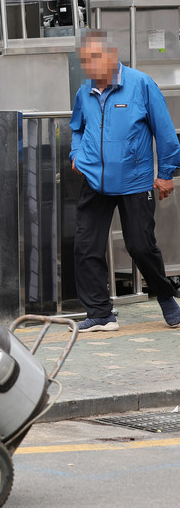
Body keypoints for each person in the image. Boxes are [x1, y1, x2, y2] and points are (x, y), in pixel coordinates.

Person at [69, 29, 180, 332]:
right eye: (85, 61)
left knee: (140, 246)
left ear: (111, 56)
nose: (90, 67)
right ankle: (100, 312)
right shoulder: (85, 92)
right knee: (86, 247)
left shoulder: (141, 85)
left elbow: (166, 133)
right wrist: (76, 154)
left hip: (134, 181)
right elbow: (77, 127)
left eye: (95, 59)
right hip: (94, 179)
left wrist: (166, 173)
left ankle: (166, 296)